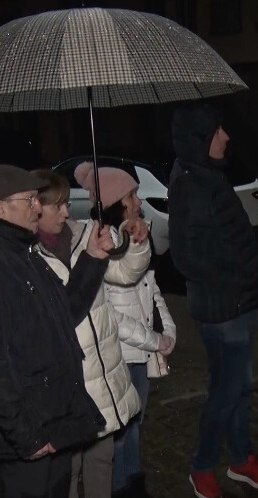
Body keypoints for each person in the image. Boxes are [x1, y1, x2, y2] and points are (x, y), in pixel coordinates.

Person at [0, 164, 116, 498]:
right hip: (31, 439)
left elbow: (63, 313)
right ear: (1, 209)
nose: (38, 207)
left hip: (53, 425)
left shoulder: (23, 254)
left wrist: (92, 259)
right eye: (29, 200)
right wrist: (27, 436)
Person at [31, 167, 166, 498]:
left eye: (66, 203)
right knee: (69, 469)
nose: (67, 211)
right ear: (35, 207)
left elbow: (125, 273)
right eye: (58, 205)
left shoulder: (83, 234)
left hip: (102, 377)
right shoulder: (28, 257)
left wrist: (136, 242)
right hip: (69, 381)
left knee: (101, 460)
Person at [168, 102, 258, 498]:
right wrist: (235, 281)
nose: (226, 137)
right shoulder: (189, 184)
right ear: (199, 137)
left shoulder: (208, 173)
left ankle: (241, 458)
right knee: (227, 391)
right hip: (223, 310)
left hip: (240, 305)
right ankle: (202, 466)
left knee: (240, 387)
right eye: (217, 130)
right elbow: (185, 257)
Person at [80, 164, 178, 498]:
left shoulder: (132, 236)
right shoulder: (103, 245)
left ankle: (134, 482)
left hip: (140, 354)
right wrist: (154, 340)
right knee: (121, 433)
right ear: (115, 202)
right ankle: (122, 488)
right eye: (131, 195)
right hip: (120, 356)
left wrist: (168, 330)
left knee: (134, 426)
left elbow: (150, 289)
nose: (138, 201)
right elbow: (114, 314)